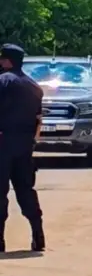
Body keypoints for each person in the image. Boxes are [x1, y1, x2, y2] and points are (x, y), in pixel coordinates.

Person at [0, 44, 45, 252]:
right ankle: (38, 234)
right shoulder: (34, 87)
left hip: (3, 143)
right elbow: (38, 119)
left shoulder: (3, 81)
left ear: (7, 60)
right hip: (25, 145)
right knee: (26, 190)